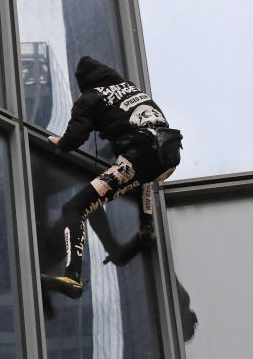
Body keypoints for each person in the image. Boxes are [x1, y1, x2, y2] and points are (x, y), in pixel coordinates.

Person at [42, 55, 182, 298]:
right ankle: (146, 229)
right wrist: (146, 220)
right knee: (136, 178)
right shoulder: (133, 89)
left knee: (74, 208)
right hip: (168, 156)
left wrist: (60, 143)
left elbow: (76, 137)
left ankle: (72, 277)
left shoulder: (91, 97)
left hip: (138, 157)